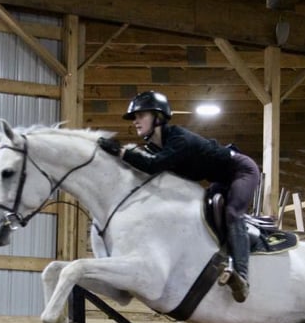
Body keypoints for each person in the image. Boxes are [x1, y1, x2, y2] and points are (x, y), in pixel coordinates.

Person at [97, 90, 260, 303]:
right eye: (135, 118)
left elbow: (152, 166)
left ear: (158, 117)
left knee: (232, 212)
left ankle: (242, 277)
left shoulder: (178, 139)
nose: (136, 121)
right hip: (219, 180)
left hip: (241, 171)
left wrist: (121, 152)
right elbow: (144, 170)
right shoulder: (156, 146)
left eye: (140, 116)